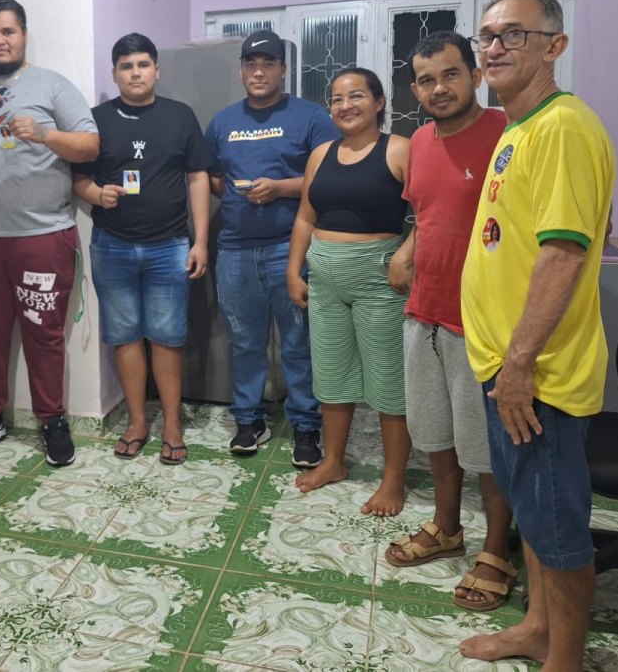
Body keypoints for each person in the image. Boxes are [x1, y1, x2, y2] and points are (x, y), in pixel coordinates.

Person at [457, 0, 615, 671]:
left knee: (558, 528)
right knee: (532, 508)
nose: (495, 47)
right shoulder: (519, 128)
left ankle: (565, 659)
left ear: (555, 46)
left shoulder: (563, 128)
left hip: (537, 376)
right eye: (488, 35)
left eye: (513, 34)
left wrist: (519, 365)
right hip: (506, 367)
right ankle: (537, 629)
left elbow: (563, 255)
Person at [382, 31, 515, 609]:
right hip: (424, 312)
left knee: (486, 449)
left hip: (480, 322)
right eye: (426, 80)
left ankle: (497, 549)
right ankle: (446, 527)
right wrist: (407, 250)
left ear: (476, 75)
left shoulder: (508, 134)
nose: (439, 88)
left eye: (451, 74)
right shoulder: (420, 141)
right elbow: (427, 212)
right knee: (434, 435)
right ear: (415, 89)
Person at [0, 0, 99, 467]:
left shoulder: (52, 86)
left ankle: (52, 420)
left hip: (42, 235)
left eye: (8, 31)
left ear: (24, 36)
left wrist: (46, 134)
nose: (0, 40)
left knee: (43, 333)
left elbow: (90, 145)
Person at [72, 33, 212, 464]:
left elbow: (197, 177)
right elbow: (78, 179)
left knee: (168, 338)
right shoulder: (95, 120)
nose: (135, 73)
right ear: (115, 73)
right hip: (112, 246)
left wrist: (200, 241)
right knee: (125, 335)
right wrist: (96, 195)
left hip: (169, 246)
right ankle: (136, 422)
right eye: (126, 66)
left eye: (143, 65)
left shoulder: (180, 116)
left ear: (157, 70)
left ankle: (171, 425)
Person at [205, 30, 337, 464]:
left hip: (292, 249)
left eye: (268, 64)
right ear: (241, 69)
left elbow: (331, 177)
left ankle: (306, 427)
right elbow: (215, 179)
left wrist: (280, 188)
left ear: (283, 68)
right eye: (250, 64)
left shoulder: (311, 117)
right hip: (235, 251)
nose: (258, 72)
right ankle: (249, 420)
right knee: (244, 342)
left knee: (299, 343)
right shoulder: (222, 122)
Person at [286, 67, 412, 516]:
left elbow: (431, 212)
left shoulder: (399, 149)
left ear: (379, 102)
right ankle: (334, 461)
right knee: (332, 376)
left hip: (379, 279)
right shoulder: (321, 154)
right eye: (337, 99)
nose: (345, 106)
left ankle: (393, 479)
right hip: (325, 277)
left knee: (388, 383)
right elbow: (306, 215)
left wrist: (405, 253)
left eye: (356, 96)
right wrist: (293, 270)